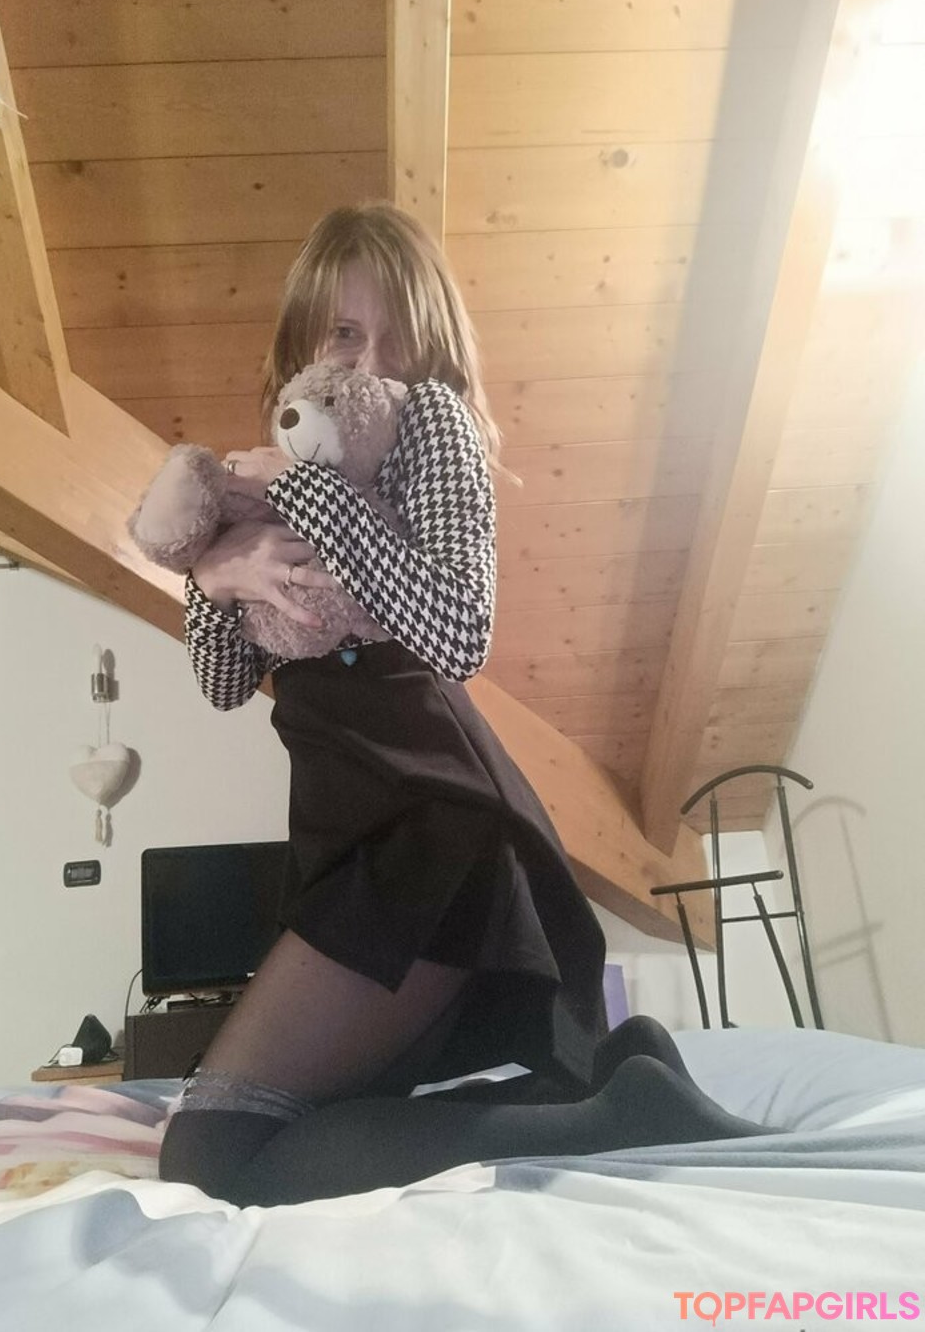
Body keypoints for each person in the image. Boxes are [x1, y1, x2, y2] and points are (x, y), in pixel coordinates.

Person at [159, 201, 771, 1207]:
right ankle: (611, 1087)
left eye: (400, 339)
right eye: (345, 332)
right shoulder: (279, 465)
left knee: (214, 1155)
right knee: (289, 1121)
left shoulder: (427, 424)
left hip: (427, 822)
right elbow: (223, 683)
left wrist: (311, 502)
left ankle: (620, 1115)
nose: (371, 363)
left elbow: (457, 627)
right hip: (353, 824)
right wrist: (213, 578)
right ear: (302, 338)